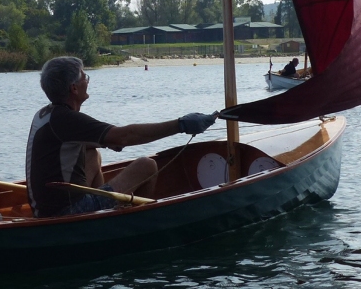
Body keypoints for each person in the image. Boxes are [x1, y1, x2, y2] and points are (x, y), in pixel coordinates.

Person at [26, 56, 218, 218]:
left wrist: (107, 142)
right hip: (67, 212)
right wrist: (181, 125)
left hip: (47, 209)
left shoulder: (47, 114)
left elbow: (75, 142)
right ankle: (138, 223)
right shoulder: (66, 119)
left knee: (92, 154)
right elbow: (126, 136)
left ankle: (102, 213)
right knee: (147, 165)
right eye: (85, 76)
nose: (88, 80)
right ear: (74, 88)